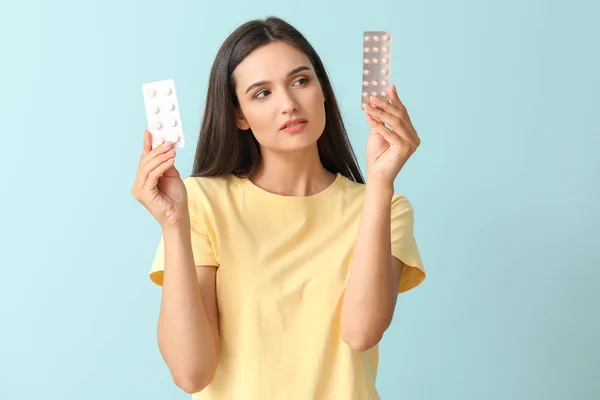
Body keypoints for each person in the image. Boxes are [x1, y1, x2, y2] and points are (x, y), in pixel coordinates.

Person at [131, 16, 425, 400]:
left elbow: (361, 332)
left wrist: (381, 182)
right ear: (238, 115)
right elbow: (191, 373)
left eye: (301, 81)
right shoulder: (201, 203)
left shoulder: (385, 208)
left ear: (323, 92)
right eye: (262, 93)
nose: (289, 104)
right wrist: (173, 225)